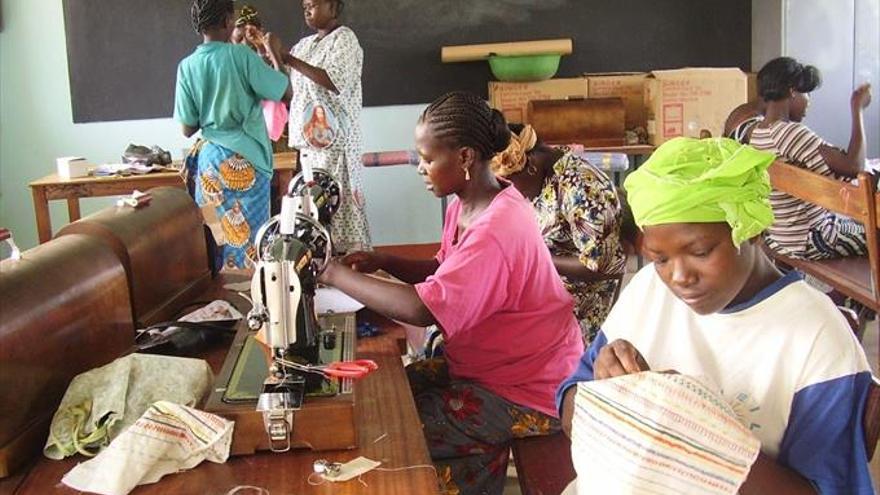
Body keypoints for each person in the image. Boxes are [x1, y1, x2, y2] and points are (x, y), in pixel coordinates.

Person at [557, 137, 875, 494]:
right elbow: (572, 408)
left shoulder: (816, 339)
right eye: (660, 258)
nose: (678, 276)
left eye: (700, 251)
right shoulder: (649, 289)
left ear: (751, 230)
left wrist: (697, 431)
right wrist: (607, 389)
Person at [318, 92, 584, 495]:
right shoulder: (471, 203)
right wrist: (385, 260)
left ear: (463, 158)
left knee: (394, 428)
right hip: (493, 368)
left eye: (427, 159)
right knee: (387, 390)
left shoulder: (497, 229)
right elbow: (447, 274)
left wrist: (331, 272)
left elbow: (422, 308)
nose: (420, 168)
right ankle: (476, 474)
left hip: (530, 388)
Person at [175, 0, 291, 270]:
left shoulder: (187, 66)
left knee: (217, 238)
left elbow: (187, 128)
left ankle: (221, 301)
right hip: (248, 158)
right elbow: (285, 92)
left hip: (211, 163)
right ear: (228, 20)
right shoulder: (241, 56)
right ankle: (255, 302)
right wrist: (274, 54)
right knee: (252, 241)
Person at [490, 124, 626, 343]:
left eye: (508, 184)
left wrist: (535, 259)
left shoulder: (581, 185)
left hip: (581, 303)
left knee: (503, 339)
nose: (508, 192)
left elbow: (600, 265)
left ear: (530, 165)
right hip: (547, 288)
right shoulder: (547, 175)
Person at [750, 56, 873, 260]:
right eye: (806, 93)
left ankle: (838, 294)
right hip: (811, 238)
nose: (809, 101)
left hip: (780, 236)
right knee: (873, 232)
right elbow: (854, 167)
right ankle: (853, 291)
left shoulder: (759, 132)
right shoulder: (788, 133)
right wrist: (857, 109)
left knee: (859, 223)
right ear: (792, 91)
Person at [282, 0, 370, 253]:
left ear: (333, 6)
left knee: (337, 204)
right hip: (310, 145)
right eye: (304, 6)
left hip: (335, 143)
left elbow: (334, 80)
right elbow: (291, 90)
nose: (307, 10)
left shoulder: (345, 40)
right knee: (312, 206)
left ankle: (350, 264)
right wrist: (272, 55)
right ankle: (323, 263)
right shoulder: (304, 45)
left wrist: (288, 58)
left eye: (314, 4)